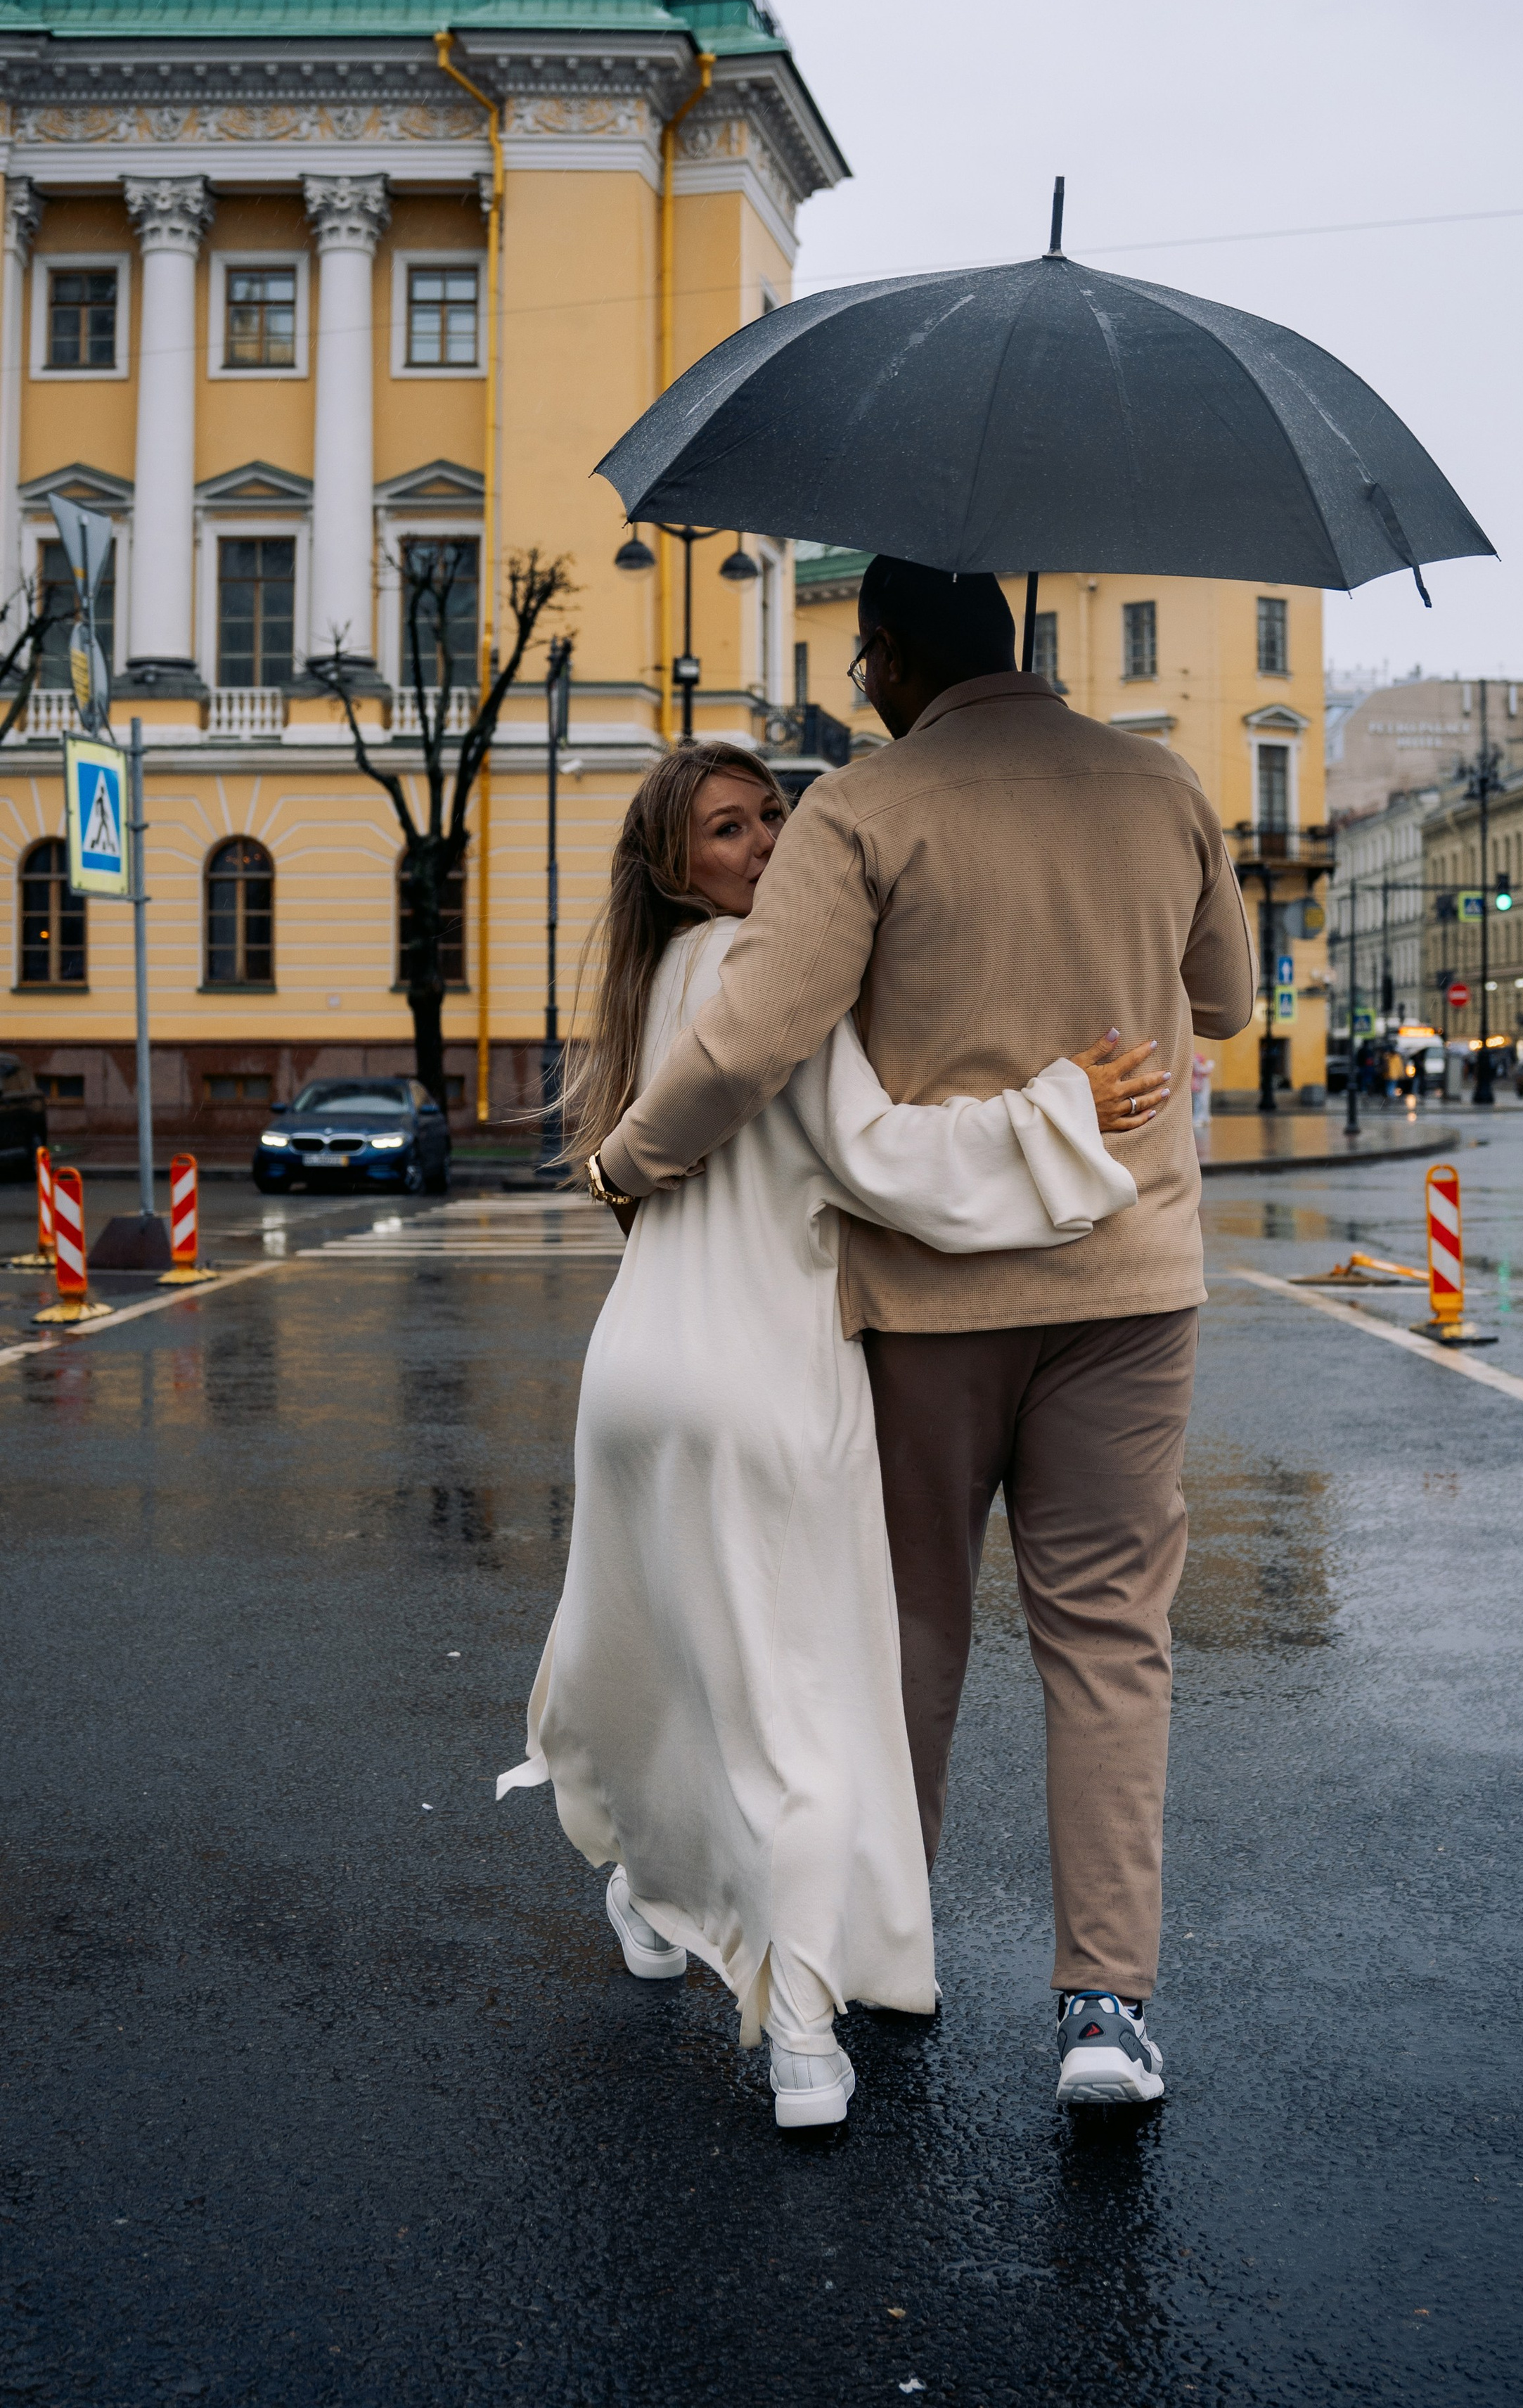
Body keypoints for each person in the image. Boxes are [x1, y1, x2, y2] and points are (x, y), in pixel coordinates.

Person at [598, 558, 1256, 2109]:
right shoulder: (1163, 787)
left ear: (887, 655)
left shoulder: (865, 807)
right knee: (1108, 1640)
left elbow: (750, 1040)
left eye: (862, 651)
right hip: (1129, 1281)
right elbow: (1223, 998)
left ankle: (880, 1952)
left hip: (928, 1299)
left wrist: (626, 1158)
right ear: (1018, 640)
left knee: (900, 1636)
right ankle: (1105, 2010)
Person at [499, 742, 1168, 2128]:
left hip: (632, 1376)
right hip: (758, 1380)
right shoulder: (769, 980)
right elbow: (882, 1157)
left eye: (772, 818)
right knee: (798, 1703)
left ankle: (640, 1890)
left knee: (671, 1655)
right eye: (726, 831)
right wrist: (1064, 1111)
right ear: (679, 871)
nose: (761, 845)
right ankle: (801, 2034)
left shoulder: (651, 988)